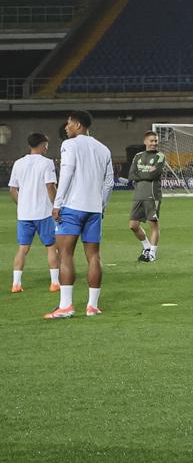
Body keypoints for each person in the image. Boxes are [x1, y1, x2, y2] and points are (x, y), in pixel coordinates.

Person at [46, 110, 116, 319]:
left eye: (68, 124)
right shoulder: (103, 149)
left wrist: (57, 203)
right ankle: (92, 306)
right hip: (94, 209)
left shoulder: (70, 145)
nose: (66, 128)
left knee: (65, 254)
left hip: (72, 208)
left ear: (78, 125)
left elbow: (67, 172)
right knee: (94, 256)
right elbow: (109, 183)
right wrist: (100, 206)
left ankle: (66, 306)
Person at [9, 132, 60, 295]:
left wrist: (22, 203)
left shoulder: (18, 163)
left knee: (22, 249)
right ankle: (55, 283)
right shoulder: (47, 163)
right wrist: (56, 205)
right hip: (43, 212)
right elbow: (50, 186)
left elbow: (13, 189)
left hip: (24, 214)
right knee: (51, 247)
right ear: (43, 145)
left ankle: (16, 284)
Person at [126, 130, 166, 262]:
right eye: (152, 140)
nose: (154, 143)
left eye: (156, 141)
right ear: (145, 142)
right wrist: (147, 170)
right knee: (133, 225)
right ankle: (146, 247)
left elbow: (154, 174)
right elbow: (131, 174)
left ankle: (153, 253)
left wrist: (141, 172)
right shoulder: (138, 156)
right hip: (138, 194)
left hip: (152, 194)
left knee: (153, 224)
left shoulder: (160, 156)